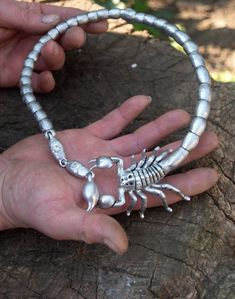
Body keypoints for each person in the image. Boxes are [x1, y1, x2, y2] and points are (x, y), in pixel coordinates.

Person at [0, 0, 218, 254]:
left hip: (145, 172)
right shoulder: (118, 179)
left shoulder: (119, 178)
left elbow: (121, 172)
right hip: (146, 172)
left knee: (159, 181)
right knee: (159, 183)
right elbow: (118, 170)